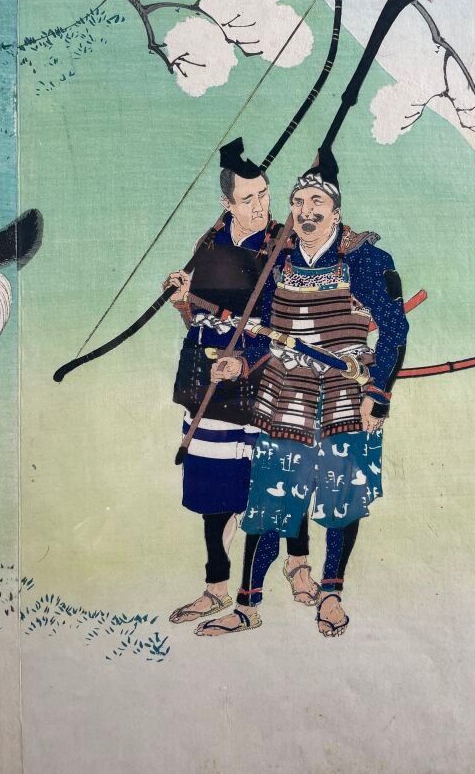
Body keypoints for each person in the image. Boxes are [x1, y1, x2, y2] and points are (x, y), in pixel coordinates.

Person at [196, 146, 409, 638]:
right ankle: (247, 606)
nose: (306, 212)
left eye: (317, 203)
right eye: (298, 203)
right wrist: (239, 362)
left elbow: (394, 330)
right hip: (284, 394)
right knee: (270, 499)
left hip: (345, 395)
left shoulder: (365, 259)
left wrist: (379, 393)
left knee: (340, 500)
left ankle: (330, 596)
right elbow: (264, 329)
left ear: (336, 209)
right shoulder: (279, 260)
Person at [165, 138, 318, 625]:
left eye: (264, 195)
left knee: (279, 478)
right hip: (212, 379)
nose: (260, 207)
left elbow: (288, 321)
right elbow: (197, 318)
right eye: (248, 199)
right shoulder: (210, 243)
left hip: (265, 375)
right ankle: (216, 587)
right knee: (215, 491)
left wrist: (245, 361)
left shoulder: (284, 245)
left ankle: (297, 565)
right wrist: (183, 300)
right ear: (226, 203)